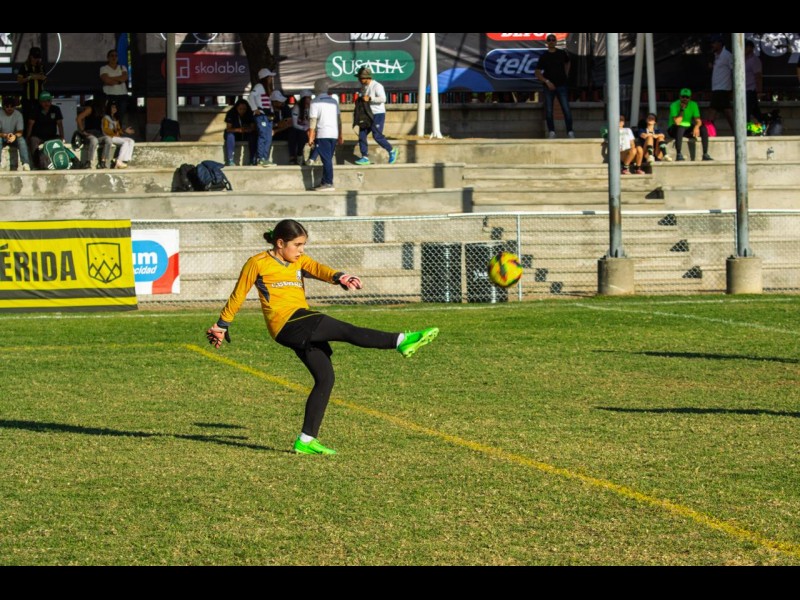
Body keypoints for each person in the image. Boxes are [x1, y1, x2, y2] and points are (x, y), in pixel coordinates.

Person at [205, 219, 439, 456]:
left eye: (303, 245)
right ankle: (401, 340)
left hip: (300, 321)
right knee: (345, 330)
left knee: (325, 378)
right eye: (297, 245)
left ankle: (306, 440)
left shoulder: (299, 261)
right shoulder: (257, 263)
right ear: (280, 243)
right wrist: (222, 325)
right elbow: (238, 294)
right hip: (286, 323)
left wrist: (341, 277)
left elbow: (319, 269)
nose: (301, 250)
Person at [354, 67, 398, 166]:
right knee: (362, 134)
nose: (359, 80)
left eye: (360, 78)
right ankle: (364, 157)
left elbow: (383, 99)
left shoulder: (377, 86)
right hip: (367, 114)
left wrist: (370, 98)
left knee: (377, 136)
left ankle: (392, 151)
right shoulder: (364, 87)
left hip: (378, 114)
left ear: (366, 78)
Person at [535, 33, 575, 139]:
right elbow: (537, 72)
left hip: (562, 85)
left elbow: (568, 62)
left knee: (566, 109)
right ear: (547, 42)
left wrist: (566, 73)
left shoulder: (562, 53)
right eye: (549, 40)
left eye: (553, 40)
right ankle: (552, 132)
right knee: (549, 110)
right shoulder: (544, 56)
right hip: (548, 87)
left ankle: (570, 131)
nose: (552, 41)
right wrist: (547, 81)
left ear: (556, 42)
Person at [308, 78, 342, 191]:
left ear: (316, 88)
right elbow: (339, 120)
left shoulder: (315, 102)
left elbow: (313, 121)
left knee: (326, 160)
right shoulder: (333, 101)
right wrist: (340, 135)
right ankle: (324, 181)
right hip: (334, 133)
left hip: (323, 133)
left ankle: (328, 183)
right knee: (328, 158)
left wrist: (311, 137)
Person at [668, 88, 712, 162]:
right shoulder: (674, 105)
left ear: (690, 98)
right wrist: (682, 109)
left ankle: (705, 154)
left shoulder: (693, 104)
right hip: (674, 128)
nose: (685, 99)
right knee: (681, 127)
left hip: (686, 128)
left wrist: (697, 126)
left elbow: (698, 120)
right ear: (679, 97)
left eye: (687, 97)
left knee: (703, 128)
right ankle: (678, 154)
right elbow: (677, 122)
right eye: (683, 97)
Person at [248, 68, 277, 167]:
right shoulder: (259, 86)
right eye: (269, 77)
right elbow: (250, 96)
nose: (271, 79)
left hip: (268, 116)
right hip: (261, 115)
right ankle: (260, 158)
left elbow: (269, 103)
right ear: (265, 78)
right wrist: (255, 109)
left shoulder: (267, 88)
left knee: (268, 137)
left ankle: (265, 158)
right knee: (263, 136)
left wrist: (272, 112)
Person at [76, 96, 114, 169]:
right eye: (105, 101)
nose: (106, 103)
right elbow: (79, 118)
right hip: (89, 133)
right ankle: (88, 162)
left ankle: (102, 162)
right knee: (94, 140)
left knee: (109, 140)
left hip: (99, 134)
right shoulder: (90, 109)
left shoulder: (103, 110)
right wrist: (83, 131)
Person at [27, 91, 64, 162]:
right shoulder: (35, 109)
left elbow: (60, 124)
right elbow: (30, 124)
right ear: (40, 102)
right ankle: (36, 163)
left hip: (52, 135)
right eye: (44, 101)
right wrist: (28, 138)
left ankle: (57, 162)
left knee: (59, 141)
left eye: (48, 101)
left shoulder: (56, 109)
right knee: (33, 141)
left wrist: (62, 136)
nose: (46, 103)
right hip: (38, 136)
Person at [708, 34, 734, 132]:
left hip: (723, 88)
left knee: (723, 111)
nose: (712, 45)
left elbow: (734, 70)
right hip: (716, 88)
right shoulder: (716, 56)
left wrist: (734, 88)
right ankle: (709, 132)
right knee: (721, 110)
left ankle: (708, 132)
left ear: (720, 43)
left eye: (714, 43)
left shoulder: (727, 55)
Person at [16, 47, 46, 126]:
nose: (37, 59)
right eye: (35, 57)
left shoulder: (41, 66)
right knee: (27, 120)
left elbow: (45, 80)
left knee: (39, 120)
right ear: (31, 56)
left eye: (38, 58)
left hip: (39, 99)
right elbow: (19, 81)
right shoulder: (24, 66)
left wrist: (42, 78)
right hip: (27, 99)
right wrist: (30, 78)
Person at [101, 99, 135, 169]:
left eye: (115, 107)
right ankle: (119, 161)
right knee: (125, 142)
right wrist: (114, 132)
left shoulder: (115, 118)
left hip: (117, 136)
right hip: (110, 137)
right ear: (109, 108)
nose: (114, 109)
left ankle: (124, 160)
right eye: (113, 107)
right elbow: (105, 129)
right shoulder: (105, 118)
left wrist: (125, 131)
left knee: (131, 141)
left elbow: (119, 130)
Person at [0, 96, 31, 171]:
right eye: (7, 106)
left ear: (14, 107)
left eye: (11, 106)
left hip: (14, 137)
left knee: (21, 140)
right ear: (4, 107)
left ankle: (26, 164)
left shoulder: (18, 115)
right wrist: (5, 135)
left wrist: (14, 136)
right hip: (3, 136)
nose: (9, 108)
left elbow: (20, 131)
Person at [100, 50, 129, 127]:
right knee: (110, 116)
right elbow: (106, 80)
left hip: (122, 95)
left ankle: (118, 132)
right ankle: (110, 132)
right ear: (108, 58)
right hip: (110, 95)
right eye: (112, 55)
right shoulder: (104, 68)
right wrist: (119, 80)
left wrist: (111, 78)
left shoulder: (122, 67)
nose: (114, 57)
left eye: (116, 55)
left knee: (120, 116)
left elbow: (124, 78)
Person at [223, 99, 256, 166]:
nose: (242, 111)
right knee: (230, 135)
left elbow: (253, 127)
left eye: (244, 109)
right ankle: (230, 160)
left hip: (246, 134)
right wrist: (238, 130)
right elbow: (228, 129)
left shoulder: (250, 113)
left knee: (253, 136)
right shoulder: (231, 113)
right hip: (235, 134)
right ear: (236, 108)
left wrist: (247, 129)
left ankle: (252, 159)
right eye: (240, 109)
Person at [289, 90, 313, 165]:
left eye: (310, 97)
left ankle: (310, 158)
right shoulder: (297, 107)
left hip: (309, 130)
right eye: (308, 97)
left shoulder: (312, 107)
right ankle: (298, 155)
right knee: (297, 133)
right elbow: (294, 124)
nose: (310, 99)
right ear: (304, 99)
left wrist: (309, 129)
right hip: (299, 130)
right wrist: (305, 129)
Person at [744, 40, 763, 124]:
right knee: (755, 112)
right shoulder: (742, 59)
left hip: (750, 90)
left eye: (746, 47)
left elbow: (758, 76)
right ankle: (762, 126)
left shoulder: (754, 60)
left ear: (750, 48)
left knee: (747, 112)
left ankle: (747, 130)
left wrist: (759, 91)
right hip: (743, 90)